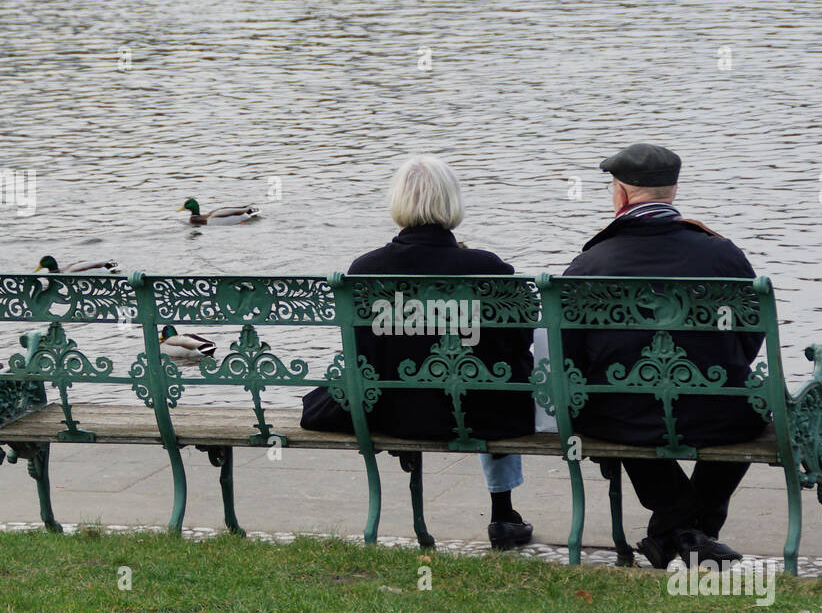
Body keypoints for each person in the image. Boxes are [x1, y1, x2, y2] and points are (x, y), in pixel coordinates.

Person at [301, 155, 536, 549]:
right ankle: (502, 515)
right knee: (505, 374)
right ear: (452, 203)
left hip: (391, 411)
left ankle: (401, 522)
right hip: (482, 413)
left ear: (398, 203)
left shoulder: (365, 268)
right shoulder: (485, 267)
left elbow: (360, 351)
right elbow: (520, 340)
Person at [562, 143, 767, 569]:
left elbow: (570, 351)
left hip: (622, 416)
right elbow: (750, 338)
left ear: (619, 194)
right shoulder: (723, 254)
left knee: (615, 411)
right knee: (750, 410)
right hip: (720, 414)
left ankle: (677, 532)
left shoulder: (590, 264)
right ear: (672, 191)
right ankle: (697, 531)